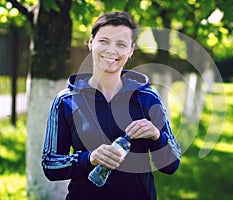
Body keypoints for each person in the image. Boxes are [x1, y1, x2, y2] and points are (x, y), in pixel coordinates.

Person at [41, 11, 181, 200]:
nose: (111, 50)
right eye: (104, 41)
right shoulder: (66, 100)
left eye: (121, 44)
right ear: (91, 43)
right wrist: (89, 158)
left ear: (131, 51)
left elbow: (171, 165)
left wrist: (157, 136)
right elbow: (50, 164)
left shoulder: (147, 97)